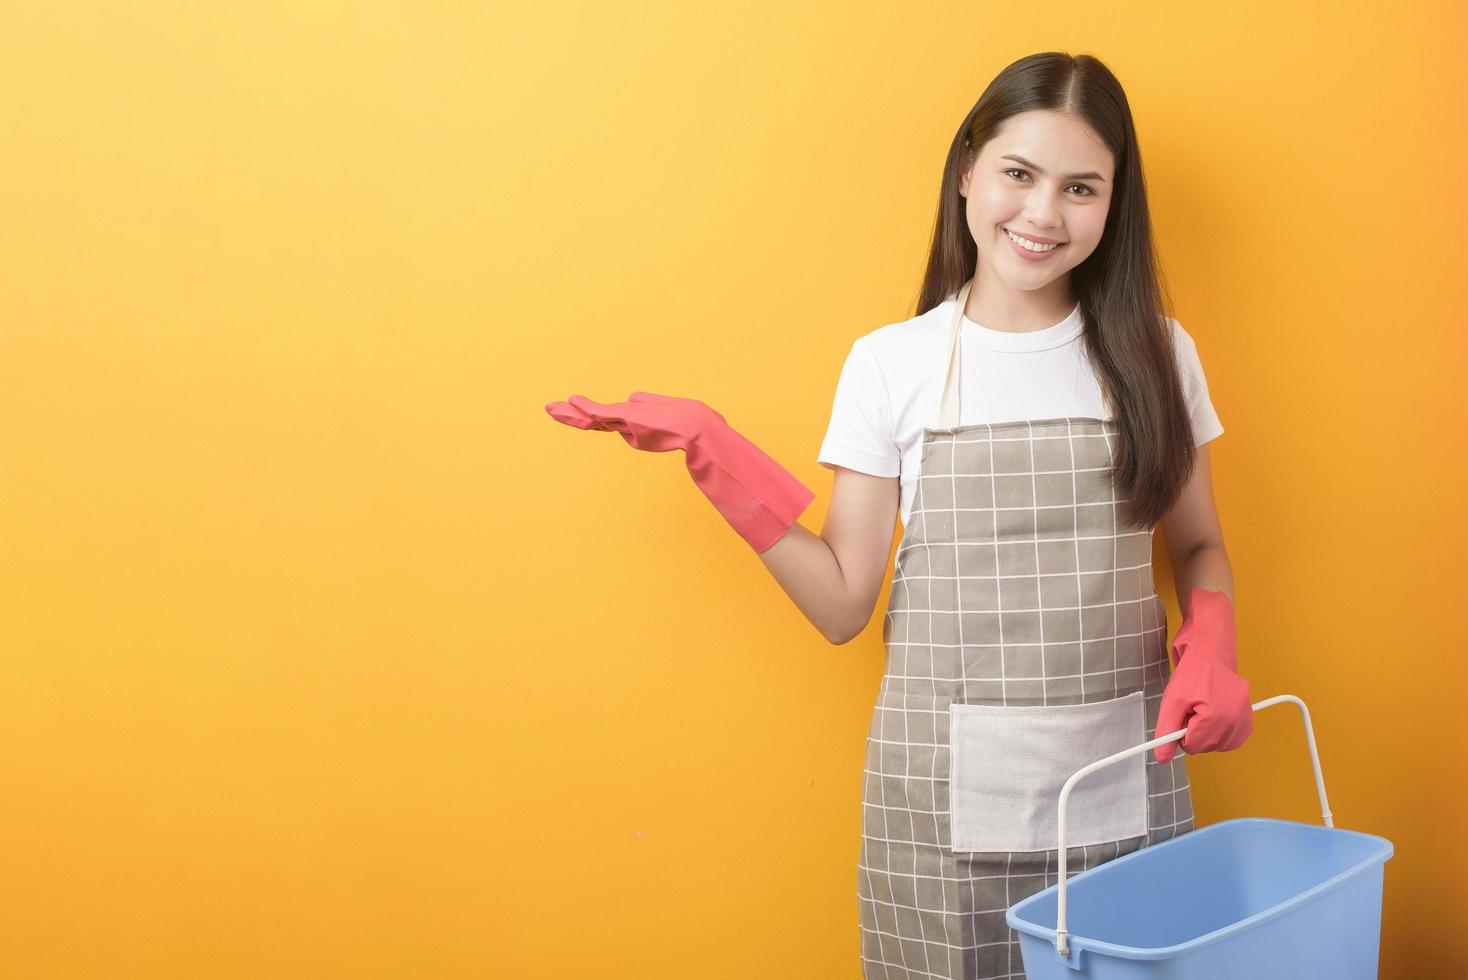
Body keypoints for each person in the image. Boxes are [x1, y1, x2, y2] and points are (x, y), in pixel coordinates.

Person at [545, 50, 1253, 980]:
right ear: (967, 170)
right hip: (941, 811)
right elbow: (844, 604)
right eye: (1018, 173)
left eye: (1082, 187)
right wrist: (717, 457)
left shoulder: (1158, 353)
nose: (1043, 214)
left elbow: (1197, 541)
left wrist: (1214, 641)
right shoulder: (893, 363)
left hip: (1119, 777)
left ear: (1115, 204)